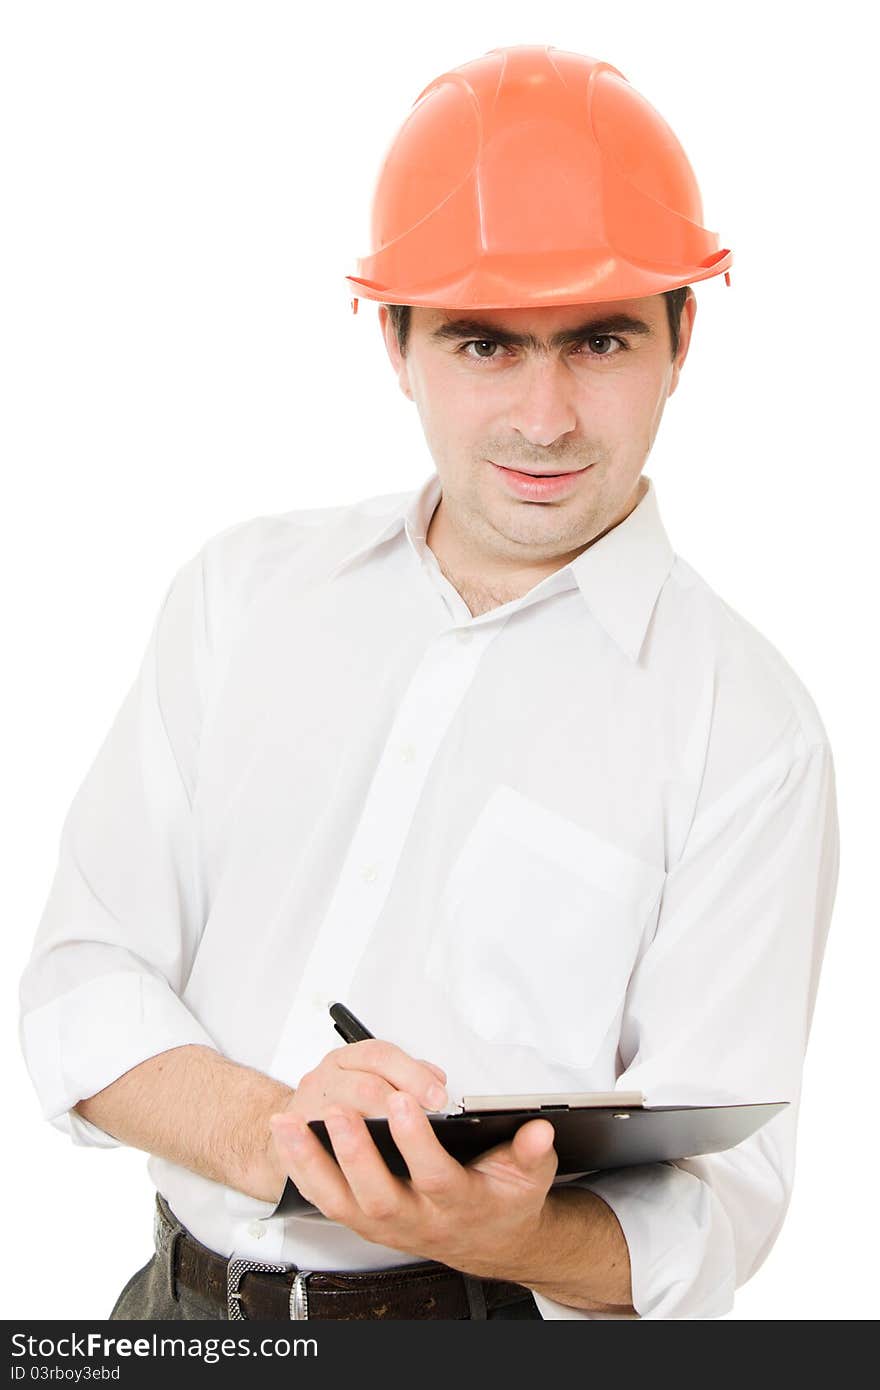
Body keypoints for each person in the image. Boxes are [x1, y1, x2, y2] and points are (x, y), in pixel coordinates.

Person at [19, 44, 839, 1322]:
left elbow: (721, 1211)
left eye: (600, 339)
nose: (545, 416)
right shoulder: (238, 599)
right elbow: (80, 980)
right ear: (394, 342)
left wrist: (507, 1232)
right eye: (483, 345)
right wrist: (282, 1130)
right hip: (162, 1318)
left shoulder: (748, 730)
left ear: (682, 337)